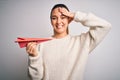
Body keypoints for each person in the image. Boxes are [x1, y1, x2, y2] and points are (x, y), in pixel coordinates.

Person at [26, 4, 111, 80]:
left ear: (69, 19)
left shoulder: (82, 42)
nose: (59, 22)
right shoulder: (41, 45)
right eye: (54, 18)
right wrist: (34, 57)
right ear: (51, 21)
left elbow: (105, 26)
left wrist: (75, 15)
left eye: (63, 17)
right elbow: (35, 78)